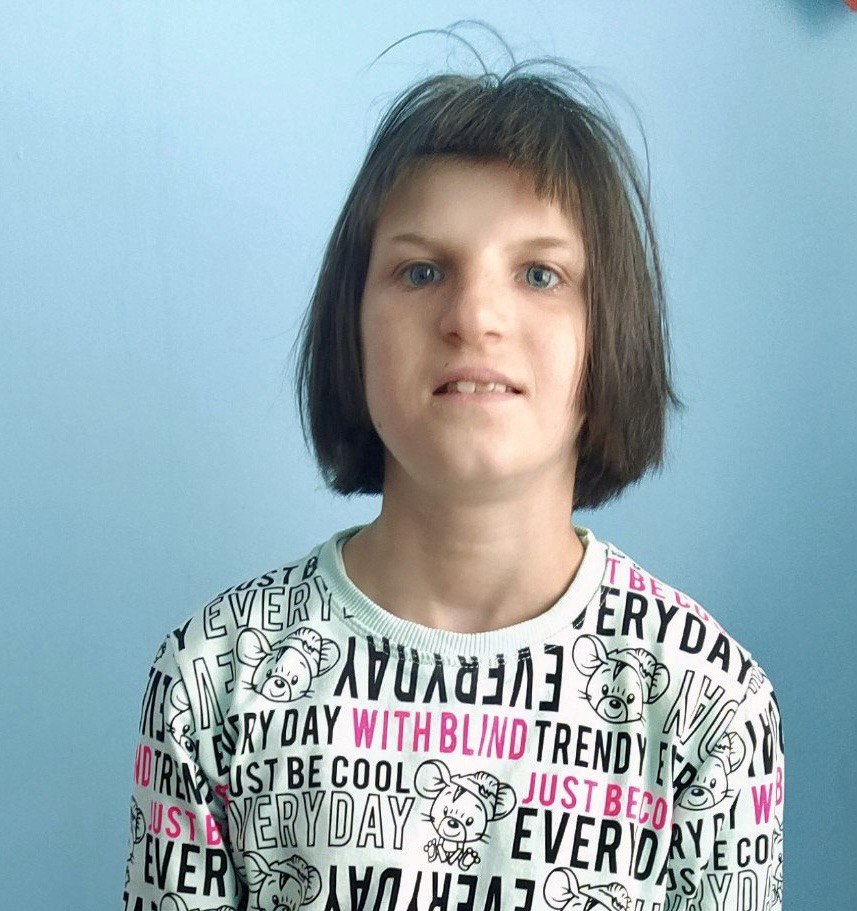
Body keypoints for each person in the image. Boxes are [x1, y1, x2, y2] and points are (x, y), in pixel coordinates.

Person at [121, 42, 784, 911]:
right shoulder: (214, 678)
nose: (474, 316)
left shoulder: (707, 701)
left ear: (611, 331)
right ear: (351, 324)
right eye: (421, 270)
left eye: (540, 274)